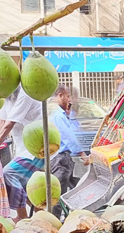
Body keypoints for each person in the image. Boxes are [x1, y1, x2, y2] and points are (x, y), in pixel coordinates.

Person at [0, 85, 42, 222]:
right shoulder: (7, 97)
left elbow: (9, 124)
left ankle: (22, 216)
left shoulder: (25, 92)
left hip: (37, 149)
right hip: (22, 149)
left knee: (8, 174)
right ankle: (42, 217)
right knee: (23, 189)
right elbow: (1, 123)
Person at [50, 85, 89, 219]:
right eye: (67, 96)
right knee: (59, 195)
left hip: (63, 158)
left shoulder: (62, 114)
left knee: (75, 189)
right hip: (60, 159)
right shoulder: (57, 115)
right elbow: (68, 137)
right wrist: (82, 154)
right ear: (60, 95)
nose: (69, 100)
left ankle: (71, 218)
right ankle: (55, 223)